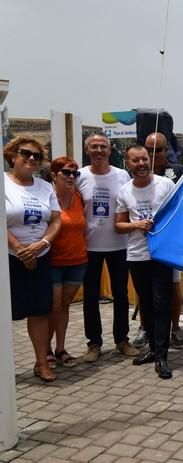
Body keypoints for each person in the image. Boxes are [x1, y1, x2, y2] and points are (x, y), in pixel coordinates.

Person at [115, 145, 176, 379]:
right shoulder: (124, 191)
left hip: (161, 254)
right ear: (127, 164)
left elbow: (177, 214)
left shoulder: (165, 184)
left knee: (162, 305)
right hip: (137, 255)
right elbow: (118, 225)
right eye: (135, 160)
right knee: (147, 306)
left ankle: (162, 356)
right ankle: (152, 348)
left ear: (149, 161)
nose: (141, 164)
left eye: (144, 159)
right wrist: (135, 225)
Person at [77, 133, 139, 361]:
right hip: (89, 246)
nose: (99, 150)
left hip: (119, 245)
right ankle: (94, 344)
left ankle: (122, 340)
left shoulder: (122, 175)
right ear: (87, 150)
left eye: (103, 146)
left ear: (110, 150)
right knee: (90, 296)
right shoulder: (80, 176)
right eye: (94, 146)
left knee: (121, 294)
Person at [4, 137, 61, 382]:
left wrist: (41, 244)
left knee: (39, 313)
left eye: (36, 156)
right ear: (12, 156)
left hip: (40, 256)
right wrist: (19, 248)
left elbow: (56, 220)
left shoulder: (45, 187)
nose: (30, 159)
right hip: (8, 258)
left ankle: (41, 363)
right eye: (25, 153)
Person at [131, 132, 183, 349]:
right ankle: (145, 328)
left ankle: (175, 328)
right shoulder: (136, 173)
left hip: (168, 244)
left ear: (167, 150)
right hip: (142, 244)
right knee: (143, 292)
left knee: (172, 288)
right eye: (149, 149)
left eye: (159, 149)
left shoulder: (179, 172)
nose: (153, 155)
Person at [48, 157, 88, 368]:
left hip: (78, 260)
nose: (72, 177)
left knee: (63, 306)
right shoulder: (46, 198)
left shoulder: (79, 197)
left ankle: (60, 348)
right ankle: (44, 350)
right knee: (52, 306)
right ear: (54, 175)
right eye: (66, 172)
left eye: (75, 173)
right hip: (53, 261)